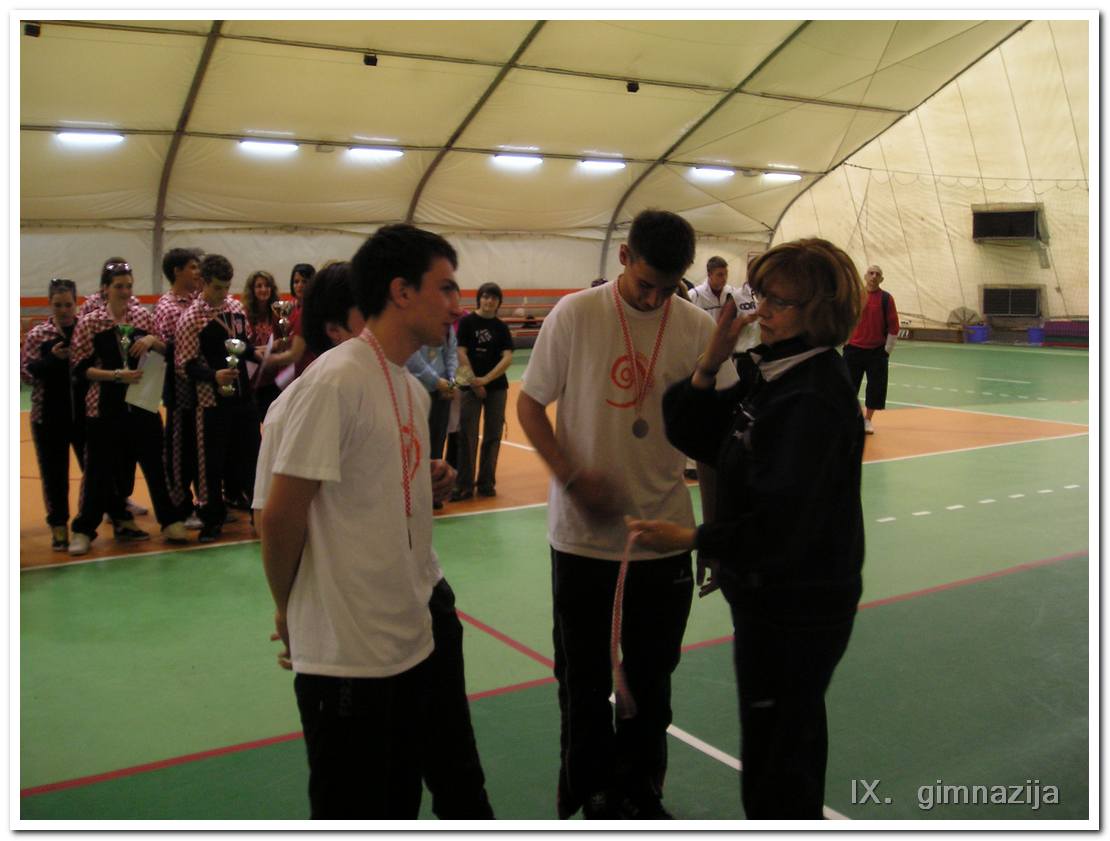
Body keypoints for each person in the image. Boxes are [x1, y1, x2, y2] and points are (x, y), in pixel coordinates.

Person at [256, 224, 489, 819]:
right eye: (446, 288)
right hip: (346, 659)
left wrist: (421, 480)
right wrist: (289, 610)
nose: (456, 305)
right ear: (401, 291)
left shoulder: (409, 388)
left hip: (406, 644)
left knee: (398, 805)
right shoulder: (335, 381)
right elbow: (280, 515)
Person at [629, 237, 866, 820]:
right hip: (766, 597)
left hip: (797, 606)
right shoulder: (772, 371)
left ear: (819, 311)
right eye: (762, 298)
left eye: (779, 302)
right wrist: (709, 362)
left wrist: (693, 539)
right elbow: (695, 433)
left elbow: (784, 526)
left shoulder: (813, 396)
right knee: (779, 740)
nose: (763, 313)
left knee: (779, 757)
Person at [516, 209, 736, 820]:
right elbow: (530, 406)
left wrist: (711, 536)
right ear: (623, 258)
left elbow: (711, 441)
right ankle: (588, 792)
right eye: (645, 284)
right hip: (582, 540)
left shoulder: (694, 326)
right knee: (582, 681)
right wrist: (572, 477)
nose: (656, 298)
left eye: (669, 287)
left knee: (652, 681)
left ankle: (641, 792)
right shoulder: (575, 315)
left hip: (663, 538)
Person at [68, 261, 187, 555]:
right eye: (119, 286)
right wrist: (116, 376)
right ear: (105, 289)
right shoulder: (91, 322)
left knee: (155, 465)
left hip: (142, 404)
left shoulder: (142, 317)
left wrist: (151, 340)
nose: (125, 292)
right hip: (103, 408)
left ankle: (170, 521)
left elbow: (165, 350)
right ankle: (83, 529)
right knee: (97, 471)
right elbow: (80, 368)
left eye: (129, 286)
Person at [175, 254, 262, 543]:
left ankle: (258, 514)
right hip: (211, 402)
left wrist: (259, 355)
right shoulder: (191, 318)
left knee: (251, 457)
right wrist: (214, 376)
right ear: (202, 283)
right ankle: (212, 519)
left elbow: (243, 345)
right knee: (210, 464)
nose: (222, 294)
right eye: (216, 287)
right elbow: (185, 365)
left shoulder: (235, 308)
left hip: (243, 398)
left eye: (226, 287)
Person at [21, 278, 82, 550]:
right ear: (49, 304)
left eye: (68, 304)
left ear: (76, 303)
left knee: (94, 471)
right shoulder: (38, 335)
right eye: (58, 305)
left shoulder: (85, 330)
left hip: (82, 414)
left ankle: (87, 524)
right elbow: (26, 373)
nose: (64, 310)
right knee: (54, 475)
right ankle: (58, 526)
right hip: (47, 416)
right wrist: (51, 360)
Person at [154, 247, 203, 528]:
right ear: (177, 271)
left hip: (204, 389)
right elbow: (168, 348)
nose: (198, 273)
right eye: (192, 267)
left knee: (200, 449)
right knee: (179, 451)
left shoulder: (200, 301)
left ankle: (205, 502)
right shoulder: (168, 306)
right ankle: (181, 506)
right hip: (181, 389)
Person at [452, 282, 514, 501]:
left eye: (494, 298)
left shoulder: (501, 327)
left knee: (493, 434)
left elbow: (507, 357)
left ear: (499, 302)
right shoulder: (467, 323)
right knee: (467, 435)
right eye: (486, 297)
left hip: (496, 388)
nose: (489, 301)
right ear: (479, 299)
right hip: (469, 386)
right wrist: (474, 383)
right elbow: (460, 352)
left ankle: (487, 482)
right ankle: (464, 485)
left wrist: (486, 380)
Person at [842, 264, 898, 434]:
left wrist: (886, 350)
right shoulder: (854, 296)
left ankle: (868, 420)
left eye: (877, 274)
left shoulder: (886, 299)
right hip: (853, 350)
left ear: (881, 279)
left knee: (875, 388)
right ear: (865, 276)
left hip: (877, 352)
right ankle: (852, 418)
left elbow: (893, 326)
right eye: (871, 273)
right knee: (848, 387)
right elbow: (846, 318)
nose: (874, 276)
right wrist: (845, 341)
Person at [242, 269, 283, 421]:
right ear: (252, 290)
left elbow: (283, 343)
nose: (263, 289)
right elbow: (243, 346)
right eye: (259, 286)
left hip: (273, 375)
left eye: (267, 285)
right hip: (252, 376)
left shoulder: (278, 313)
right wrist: (269, 348)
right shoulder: (245, 314)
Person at [265, 263, 316, 384]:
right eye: (296, 281)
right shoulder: (289, 308)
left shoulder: (311, 310)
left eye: (304, 281)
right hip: (288, 370)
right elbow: (284, 339)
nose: (299, 285)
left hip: (306, 371)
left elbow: (295, 354)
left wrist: (269, 360)